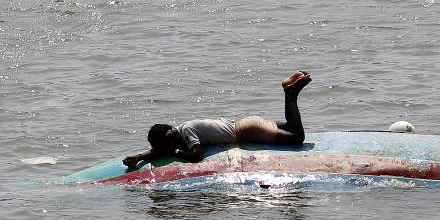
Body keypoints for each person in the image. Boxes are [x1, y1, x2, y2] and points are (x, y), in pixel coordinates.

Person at [122, 71, 311, 168]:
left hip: (248, 131)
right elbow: (158, 150)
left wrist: (176, 152)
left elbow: (197, 156)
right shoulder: (182, 128)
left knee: (297, 136)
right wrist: (138, 158)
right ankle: (289, 90)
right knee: (292, 126)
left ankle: (290, 94)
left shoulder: (186, 133)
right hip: (246, 123)